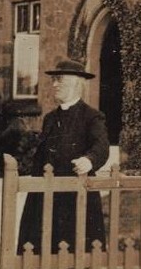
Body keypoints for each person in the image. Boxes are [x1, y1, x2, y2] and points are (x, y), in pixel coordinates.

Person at [17, 59, 110, 254]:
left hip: (76, 195)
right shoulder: (50, 118)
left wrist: (89, 160)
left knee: (76, 249)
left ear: (77, 84)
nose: (55, 85)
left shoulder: (92, 116)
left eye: (60, 80)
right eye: (54, 80)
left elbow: (101, 146)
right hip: (46, 194)